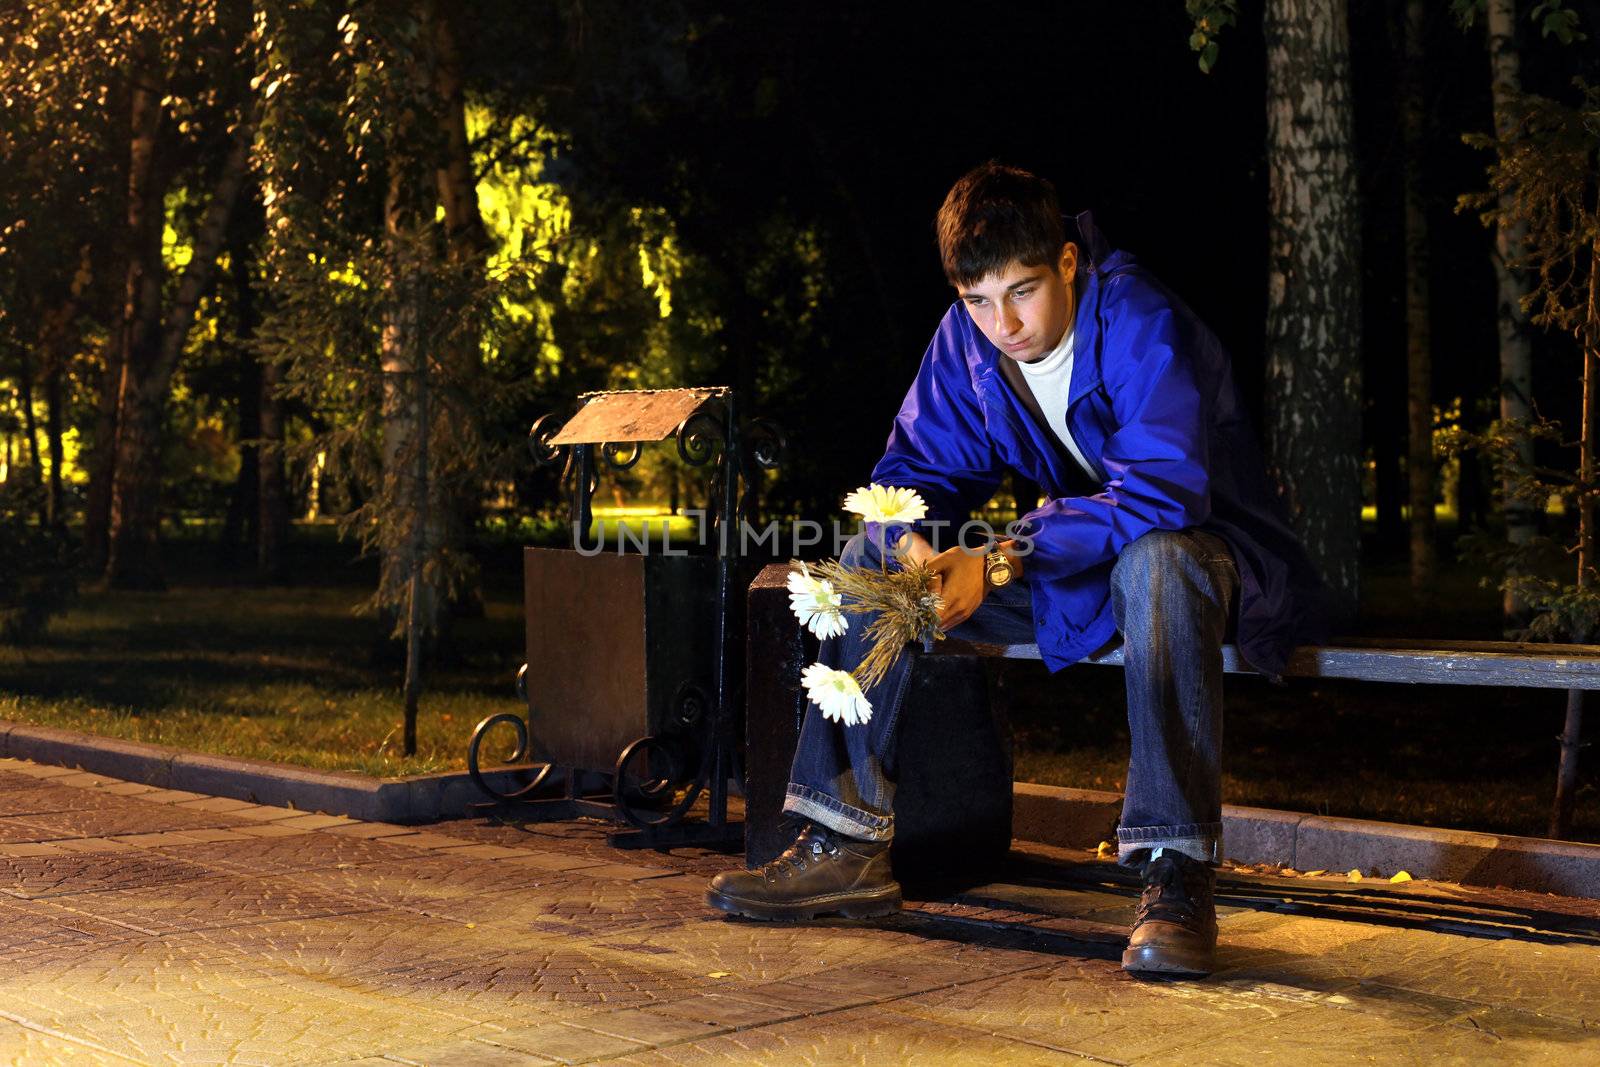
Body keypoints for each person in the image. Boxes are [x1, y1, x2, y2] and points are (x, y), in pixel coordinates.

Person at [706, 162, 1324, 977]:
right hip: (1079, 565)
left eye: (1023, 291)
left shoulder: (1138, 318)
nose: (1003, 323)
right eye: (977, 300)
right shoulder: (969, 339)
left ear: (1067, 262)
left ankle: (1175, 872)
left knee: (1159, 563)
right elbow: (907, 474)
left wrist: (999, 558)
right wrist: (918, 548)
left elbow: (1163, 492)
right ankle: (843, 842)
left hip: (1209, 559)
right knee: (868, 554)